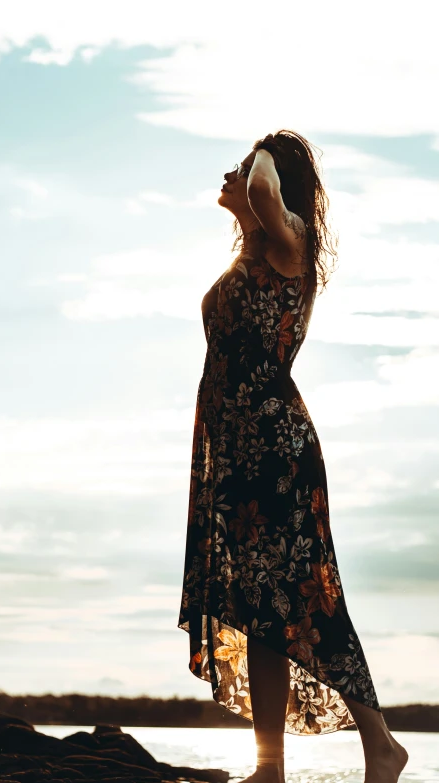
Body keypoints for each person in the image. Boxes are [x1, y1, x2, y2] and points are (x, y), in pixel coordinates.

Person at [177, 130, 409, 783]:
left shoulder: (290, 241)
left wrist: (264, 159)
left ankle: (383, 746)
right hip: (243, 455)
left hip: (280, 451)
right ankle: (270, 766)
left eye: (246, 165)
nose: (234, 173)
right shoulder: (253, 253)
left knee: (313, 599)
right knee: (262, 615)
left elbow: (260, 188)